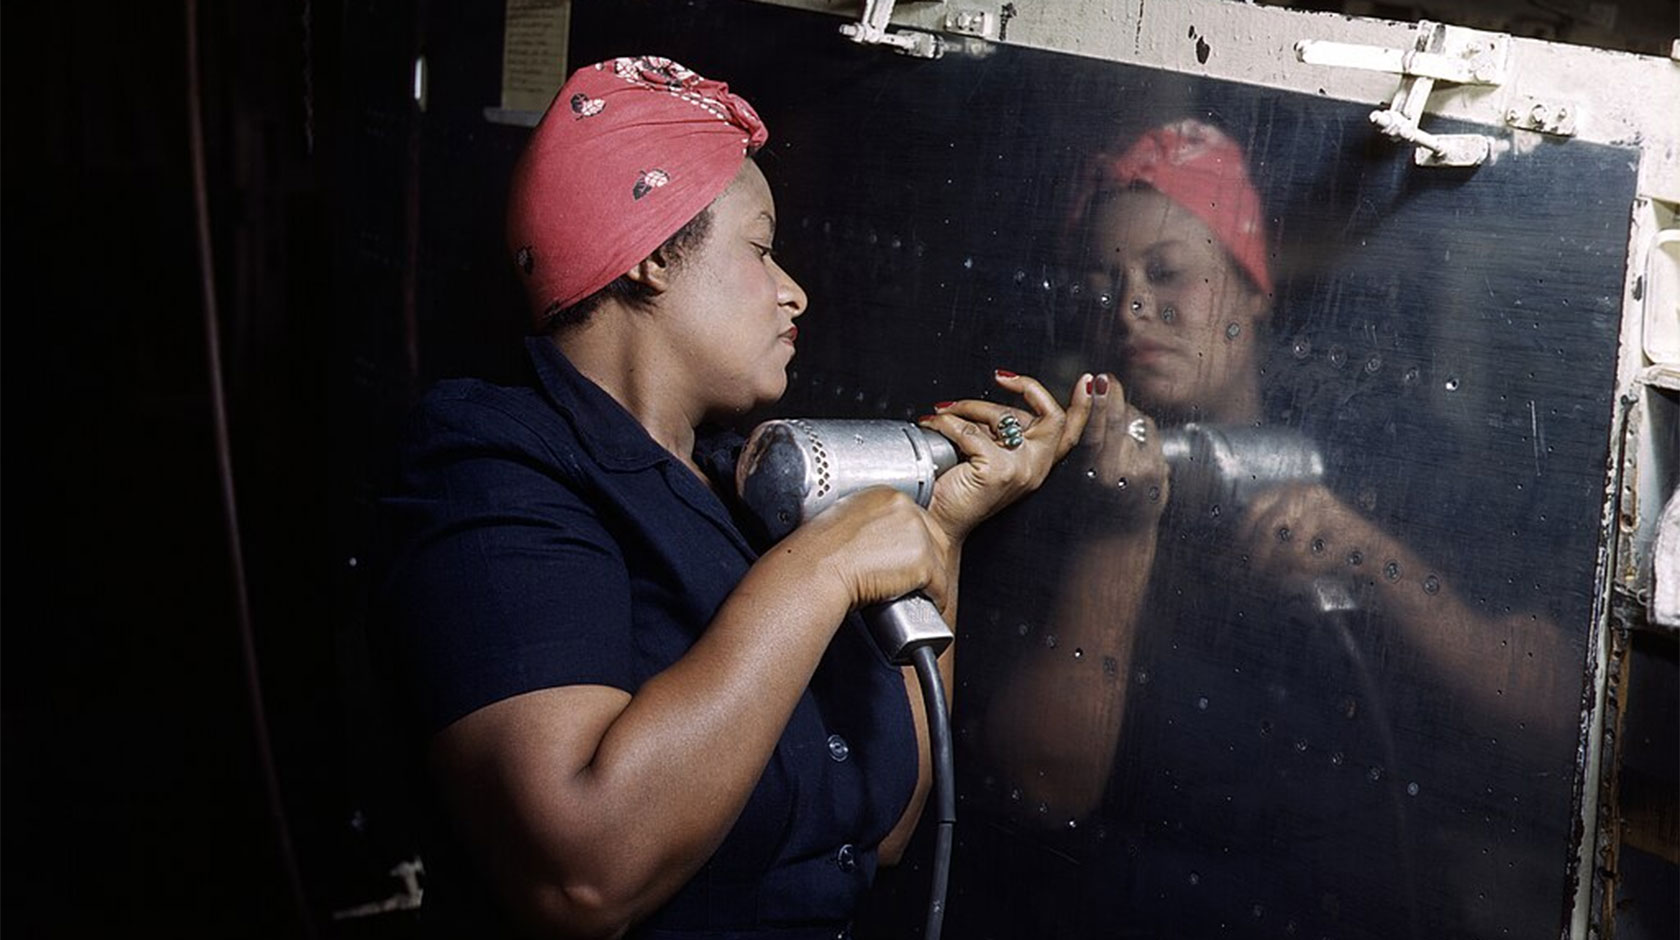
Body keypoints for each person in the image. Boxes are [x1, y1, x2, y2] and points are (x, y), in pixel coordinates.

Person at [380, 55, 1091, 940]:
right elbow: (580, 876)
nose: (794, 291)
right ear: (651, 255)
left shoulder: (737, 490)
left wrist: (939, 533)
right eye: (759, 248)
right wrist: (824, 569)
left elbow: (887, 830)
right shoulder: (491, 466)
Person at [974, 118, 1573, 938]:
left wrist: (1376, 565)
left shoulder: (1379, 449)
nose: (1132, 306)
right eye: (1102, 283)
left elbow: (1558, 718)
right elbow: (1044, 788)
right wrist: (1117, 536)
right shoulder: (1050, 490)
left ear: (1253, 288)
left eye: (1168, 272)